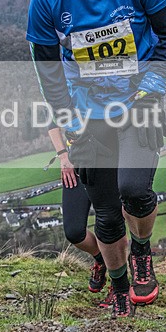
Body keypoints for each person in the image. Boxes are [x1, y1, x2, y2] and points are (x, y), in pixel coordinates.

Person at [27, 0, 166, 317]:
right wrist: (69, 121)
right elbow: (49, 73)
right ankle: (118, 289)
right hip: (89, 115)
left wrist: (151, 90)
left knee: (135, 191)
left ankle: (141, 251)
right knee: (105, 215)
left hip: (139, 103)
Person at [46, 127, 111, 306]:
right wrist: (63, 156)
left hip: (107, 158)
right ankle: (102, 260)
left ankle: (119, 282)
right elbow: (52, 122)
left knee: (110, 226)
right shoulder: (62, 98)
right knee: (74, 232)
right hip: (76, 160)